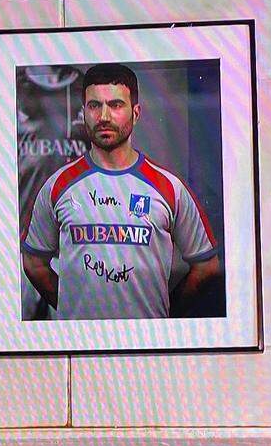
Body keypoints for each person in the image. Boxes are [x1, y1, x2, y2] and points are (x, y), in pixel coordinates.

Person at [21, 63, 222, 321]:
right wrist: (70, 309)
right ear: (84, 112)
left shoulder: (168, 187)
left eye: (115, 105)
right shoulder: (57, 185)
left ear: (135, 113)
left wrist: (165, 314)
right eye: (94, 106)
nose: (104, 116)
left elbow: (206, 266)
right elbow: (34, 263)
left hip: (148, 340)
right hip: (79, 341)